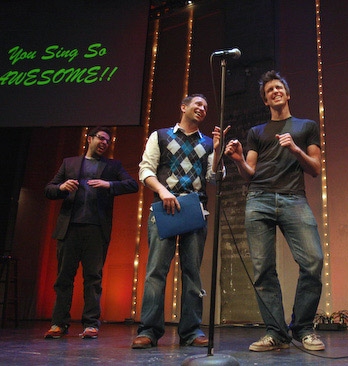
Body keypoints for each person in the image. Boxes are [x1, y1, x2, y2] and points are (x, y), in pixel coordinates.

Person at [224, 70, 325, 352]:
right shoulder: (257, 132)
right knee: (263, 269)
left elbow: (315, 169)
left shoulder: (306, 127)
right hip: (259, 199)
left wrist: (295, 150)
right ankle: (275, 332)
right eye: (269, 90)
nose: (275, 92)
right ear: (266, 100)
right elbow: (249, 173)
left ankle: (303, 328)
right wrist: (238, 159)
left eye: (279, 87)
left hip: (294, 198)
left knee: (313, 261)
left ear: (287, 94)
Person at [132, 94, 225, 349]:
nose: (202, 108)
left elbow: (215, 177)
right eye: (198, 104)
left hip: (195, 212)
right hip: (164, 209)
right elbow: (145, 170)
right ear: (183, 107)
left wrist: (217, 151)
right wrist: (163, 191)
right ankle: (149, 331)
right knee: (156, 272)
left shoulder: (207, 143)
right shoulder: (160, 135)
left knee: (192, 274)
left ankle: (191, 330)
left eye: (206, 107)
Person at [44, 127, 139, 339]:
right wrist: (61, 188)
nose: (105, 142)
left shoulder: (112, 166)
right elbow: (48, 189)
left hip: (96, 229)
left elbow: (132, 185)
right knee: (64, 278)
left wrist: (109, 184)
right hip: (69, 229)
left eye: (108, 140)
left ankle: (90, 324)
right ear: (89, 139)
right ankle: (59, 324)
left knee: (93, 278)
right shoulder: (70, 163)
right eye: (101, 138)